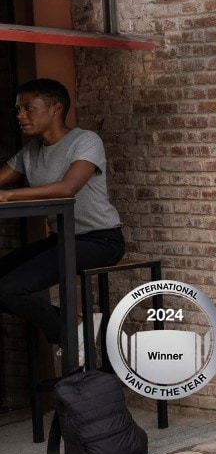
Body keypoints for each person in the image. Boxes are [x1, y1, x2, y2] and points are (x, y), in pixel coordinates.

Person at [0, 78, 124, 347]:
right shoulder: (31, 151)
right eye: (18, 109)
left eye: (28, 108)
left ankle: (68, 338)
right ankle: (74, 326)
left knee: (10, 288)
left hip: (99, 240)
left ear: (55, 108)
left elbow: (68, 188)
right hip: (61, 238)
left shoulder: (86, 140)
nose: (20, 115)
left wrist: (9, 194)